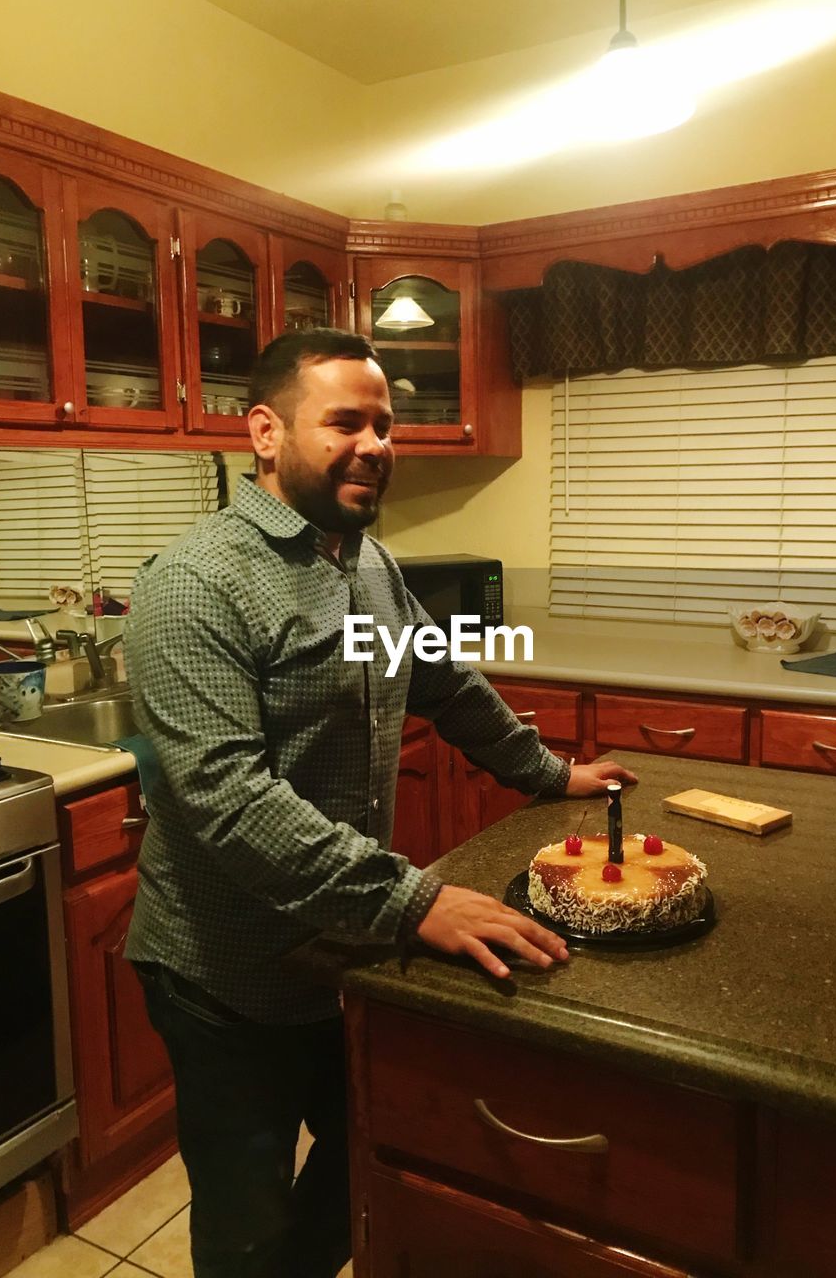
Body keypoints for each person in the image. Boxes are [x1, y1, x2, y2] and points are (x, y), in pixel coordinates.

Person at [124, 328, 636, 1278]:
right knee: (247, 1225)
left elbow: (439, 680)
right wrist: (417, 901)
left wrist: (546, 772)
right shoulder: (194, 585)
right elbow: (229, 801)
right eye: (345, 423)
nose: (374, 445)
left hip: (344, 951)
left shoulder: (363, 563)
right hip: (227, 978)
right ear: (266, 433)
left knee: (377, 1156)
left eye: (385, 426)